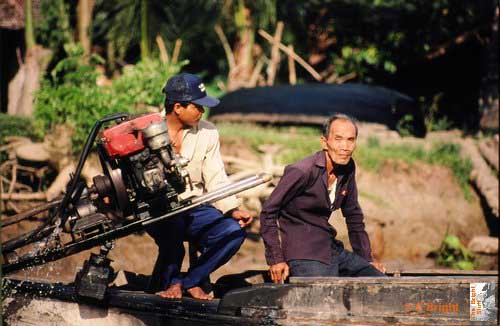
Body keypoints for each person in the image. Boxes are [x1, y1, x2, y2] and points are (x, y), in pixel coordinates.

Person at [147, 73, 252, 300]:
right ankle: (171, 283)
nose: (202, 112)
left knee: (232, 233)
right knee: (173, 231)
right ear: (178, 107)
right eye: (197, 107)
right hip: (157, 212)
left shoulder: (208, 132)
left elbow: (216, 176)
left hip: (194, 206)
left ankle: (190, 281)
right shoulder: (146, 130)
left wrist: (232, 209)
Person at [260, 114, 386, 283]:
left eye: (351, 140)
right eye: (338, 139)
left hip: (331, 249)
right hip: (304, 253)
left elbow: (353, 215)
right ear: (324, 142)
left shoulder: (347, 167)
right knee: (327, 297)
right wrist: (276, 259)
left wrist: (366, 259)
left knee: (379, 282)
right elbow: (268, 210)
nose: (345, 147)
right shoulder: (302, 171)